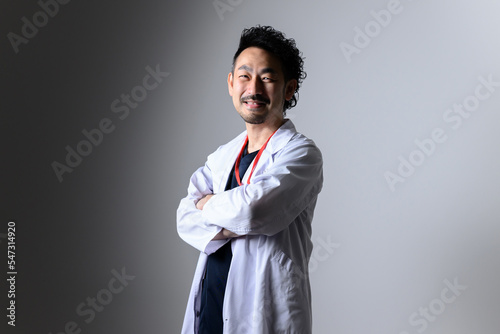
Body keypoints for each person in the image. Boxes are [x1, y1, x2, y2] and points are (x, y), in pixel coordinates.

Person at [177, 25, 323, 334]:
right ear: (231, 84)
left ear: (289, 88)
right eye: (244, 76)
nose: (253, 88)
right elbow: (184, 218)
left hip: (264, 316)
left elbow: (253, 211)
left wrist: (208, 205)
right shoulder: (221, 158)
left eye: (267, 78)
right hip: (210, 315)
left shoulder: (301, 155)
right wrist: (228, 213)